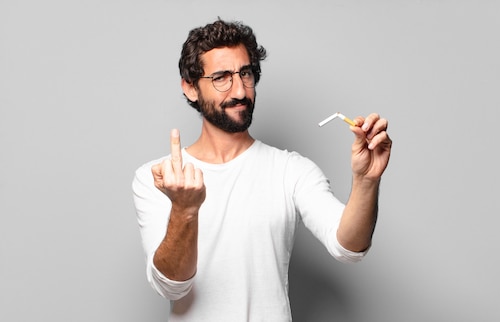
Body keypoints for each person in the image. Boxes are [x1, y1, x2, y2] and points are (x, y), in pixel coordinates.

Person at [132, 18, 392, 322]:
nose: (240, 91)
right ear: (190, 88)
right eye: (221, 77)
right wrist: (185, 210)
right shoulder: (158, 177)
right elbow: (171, 285)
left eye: (246, 74)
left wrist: (366, 180)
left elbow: (349, 247)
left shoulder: (291, 170)